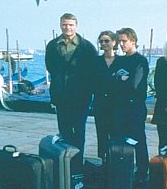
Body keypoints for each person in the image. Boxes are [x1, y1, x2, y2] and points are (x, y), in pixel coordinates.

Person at [45, 13, 97, 154]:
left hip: (81, 96)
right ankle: (66, 161)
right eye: (64, 24)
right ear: (60, 25)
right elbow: (51, 67)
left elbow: (93, 70)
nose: (67, 27)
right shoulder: (52, 45)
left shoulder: (86, 47)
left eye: (70, 25)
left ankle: (77, 162)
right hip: (61, 95)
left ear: (76, 26)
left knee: (79, 130)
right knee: (64, 129)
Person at [115, 27, 150, 188]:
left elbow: (134, 84)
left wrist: (121, 80)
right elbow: (111, 82)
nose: (121, 44)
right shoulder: (120, 60)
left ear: (133, 41)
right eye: (120, 41)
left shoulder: (140, 61)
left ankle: (143, 172)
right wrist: (121, 79)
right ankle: (124, 171)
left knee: (138, 140)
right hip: (120, 107)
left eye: (124, 41)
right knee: (122, 140)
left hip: (135, 107)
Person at [92, 30, 118, 159]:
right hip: (100, 104)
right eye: (101, 41)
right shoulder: (95, 61)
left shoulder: (122, 61)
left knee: (116, 134)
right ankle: (103, 161)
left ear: (114, 42)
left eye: (107, 41)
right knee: (101, 134)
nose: (104, 43)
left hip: (117, 105)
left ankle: (115, 161)